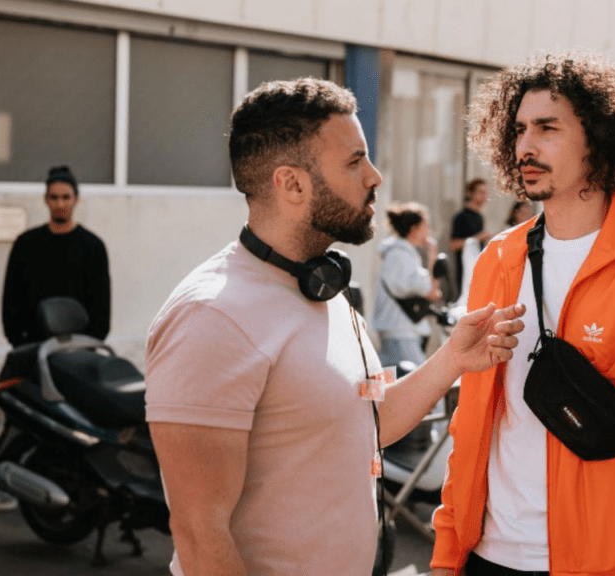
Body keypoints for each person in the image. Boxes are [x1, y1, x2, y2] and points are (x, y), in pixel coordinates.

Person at [144, 78, 526, 576]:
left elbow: (366, 424)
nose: (375, 176)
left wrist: (452, 358)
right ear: (293, 184)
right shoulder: (213, 317)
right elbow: (200, 536)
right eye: (354, 162)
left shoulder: (324, 291)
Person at [430, 52, 615, 576]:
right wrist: (448, 551)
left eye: (549, 127)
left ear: (600, 139)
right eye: (520, 129)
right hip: (485, 557)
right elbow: (473, 420)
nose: (526, 144)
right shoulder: (497, 258)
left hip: (602, 563)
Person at [1, 165, 111, 347]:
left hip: (79, 348)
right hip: (32, 345)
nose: (60, 204)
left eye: (66, 197)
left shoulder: (93, 247)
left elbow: (101, 304)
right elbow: (12, 298)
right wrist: (18, 341)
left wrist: (89, 343)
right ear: (46, 199)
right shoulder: (26, 244)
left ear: (76, 199)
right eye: (54, 197)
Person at [373, 202, 442, 366]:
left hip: (399, 330)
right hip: (400, 331)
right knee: (418, 385)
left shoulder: (402, 254)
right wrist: (433, 254)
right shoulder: (400, 257)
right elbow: (432, 292)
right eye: (426, 226)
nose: (428, 231)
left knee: (400, 381)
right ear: (414, 229)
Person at [450, 178, 494, 295]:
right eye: (481, 192)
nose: (485, 195)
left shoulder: (480, 217)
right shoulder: (461, 217)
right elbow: (453, 246)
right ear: (470, 193)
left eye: (486, 192)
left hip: (478, 271)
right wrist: (479, 237)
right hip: (465, 274)